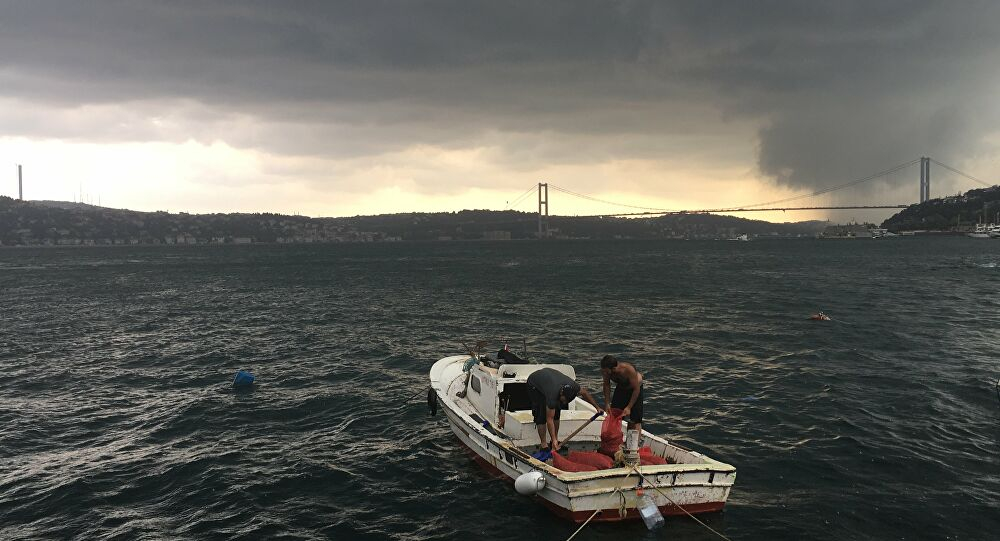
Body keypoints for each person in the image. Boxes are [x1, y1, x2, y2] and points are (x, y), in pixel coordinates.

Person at [526, 367, 602, 452]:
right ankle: (544, 445)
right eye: (564, 400)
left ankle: (554, 443)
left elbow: (584, 393)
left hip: (550, 380)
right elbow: (549, 419)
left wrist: (597, 407)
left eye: (567, 401)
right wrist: (553, 438)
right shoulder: (553, 394)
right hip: (534, 385)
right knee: (541, 415)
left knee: (557, 412)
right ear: (561, 393)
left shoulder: (574, 387)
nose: (565, 402)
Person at [600, 355, 644, 434]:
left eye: (606, 371)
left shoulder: (628, 370)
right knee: (614, 416)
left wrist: (629, 407)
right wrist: (607, 403)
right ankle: (614, 440)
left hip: (635, 390)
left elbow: (636, 389)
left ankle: (634, 443)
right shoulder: (606, 372)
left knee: (634, 420)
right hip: (621, 388)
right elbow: (606, 385)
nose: (605, 373)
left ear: (613, 368)